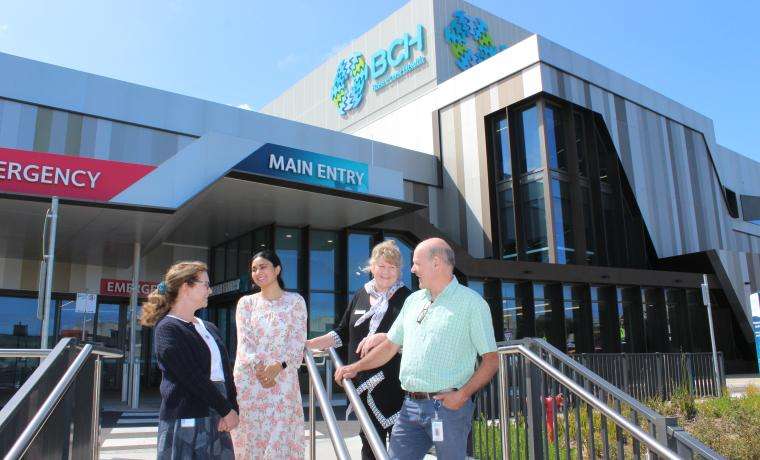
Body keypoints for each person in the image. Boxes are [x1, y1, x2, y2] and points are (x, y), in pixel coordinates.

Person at [335, 238, 499, 460]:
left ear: (437, 263)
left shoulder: (472, 304)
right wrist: (356, 366)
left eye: (416, 263)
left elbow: (490, 360)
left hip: (448, 408)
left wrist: (462, 395)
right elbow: (390, 346)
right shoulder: (413, 301)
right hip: (410, 407)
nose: (412, 269)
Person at [307, 240, 411, 459]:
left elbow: (413, 338)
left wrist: (383, 337)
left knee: (402, 446)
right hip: (361, 382)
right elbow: (342, 333)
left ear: (399, 271)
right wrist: (309, 344)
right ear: (372, 267)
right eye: (381, 266)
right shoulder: (360, 295)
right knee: (369, 443)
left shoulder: (407, 298)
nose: (386, 272)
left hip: (396, 385)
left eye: (392, 267)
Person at [140, 261, 238, 460]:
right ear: (186, 286)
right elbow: (192, 377)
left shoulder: (210, 327)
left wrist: (232, 408)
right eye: (206, 284)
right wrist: (226, 409)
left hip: (218, 416)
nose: (210, 290)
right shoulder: (167, 329)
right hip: (188, 417)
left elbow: (226, 373)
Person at [231, 250, 307, 459]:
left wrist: (278, 367)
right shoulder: (246, 303)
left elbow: (297, 341)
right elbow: (245, 342)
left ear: (277, 269)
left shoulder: (295, 301)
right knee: (251, 437)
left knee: (280, 437)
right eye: (254, 269)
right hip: (250, 380)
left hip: (282, 379)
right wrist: (261, 370)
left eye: (263, 266)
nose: (257, 272)